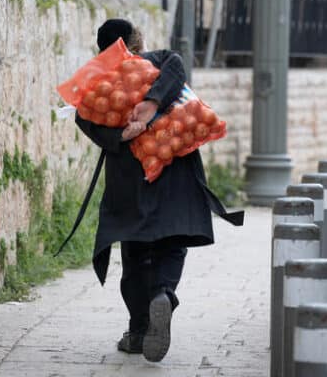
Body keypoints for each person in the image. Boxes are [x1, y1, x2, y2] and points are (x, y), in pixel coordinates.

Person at [73, 19, 244, 363]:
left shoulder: (98, 85)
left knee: (135, 251)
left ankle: (138, 332)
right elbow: (177, 64)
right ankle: (162, 293)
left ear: (103, 51)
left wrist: (119, 136)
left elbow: (82, 117)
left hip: (128, 177)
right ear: (137, 41)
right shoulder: (159, 60)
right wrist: (153, 102)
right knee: (173, 242)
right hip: (175, 168)